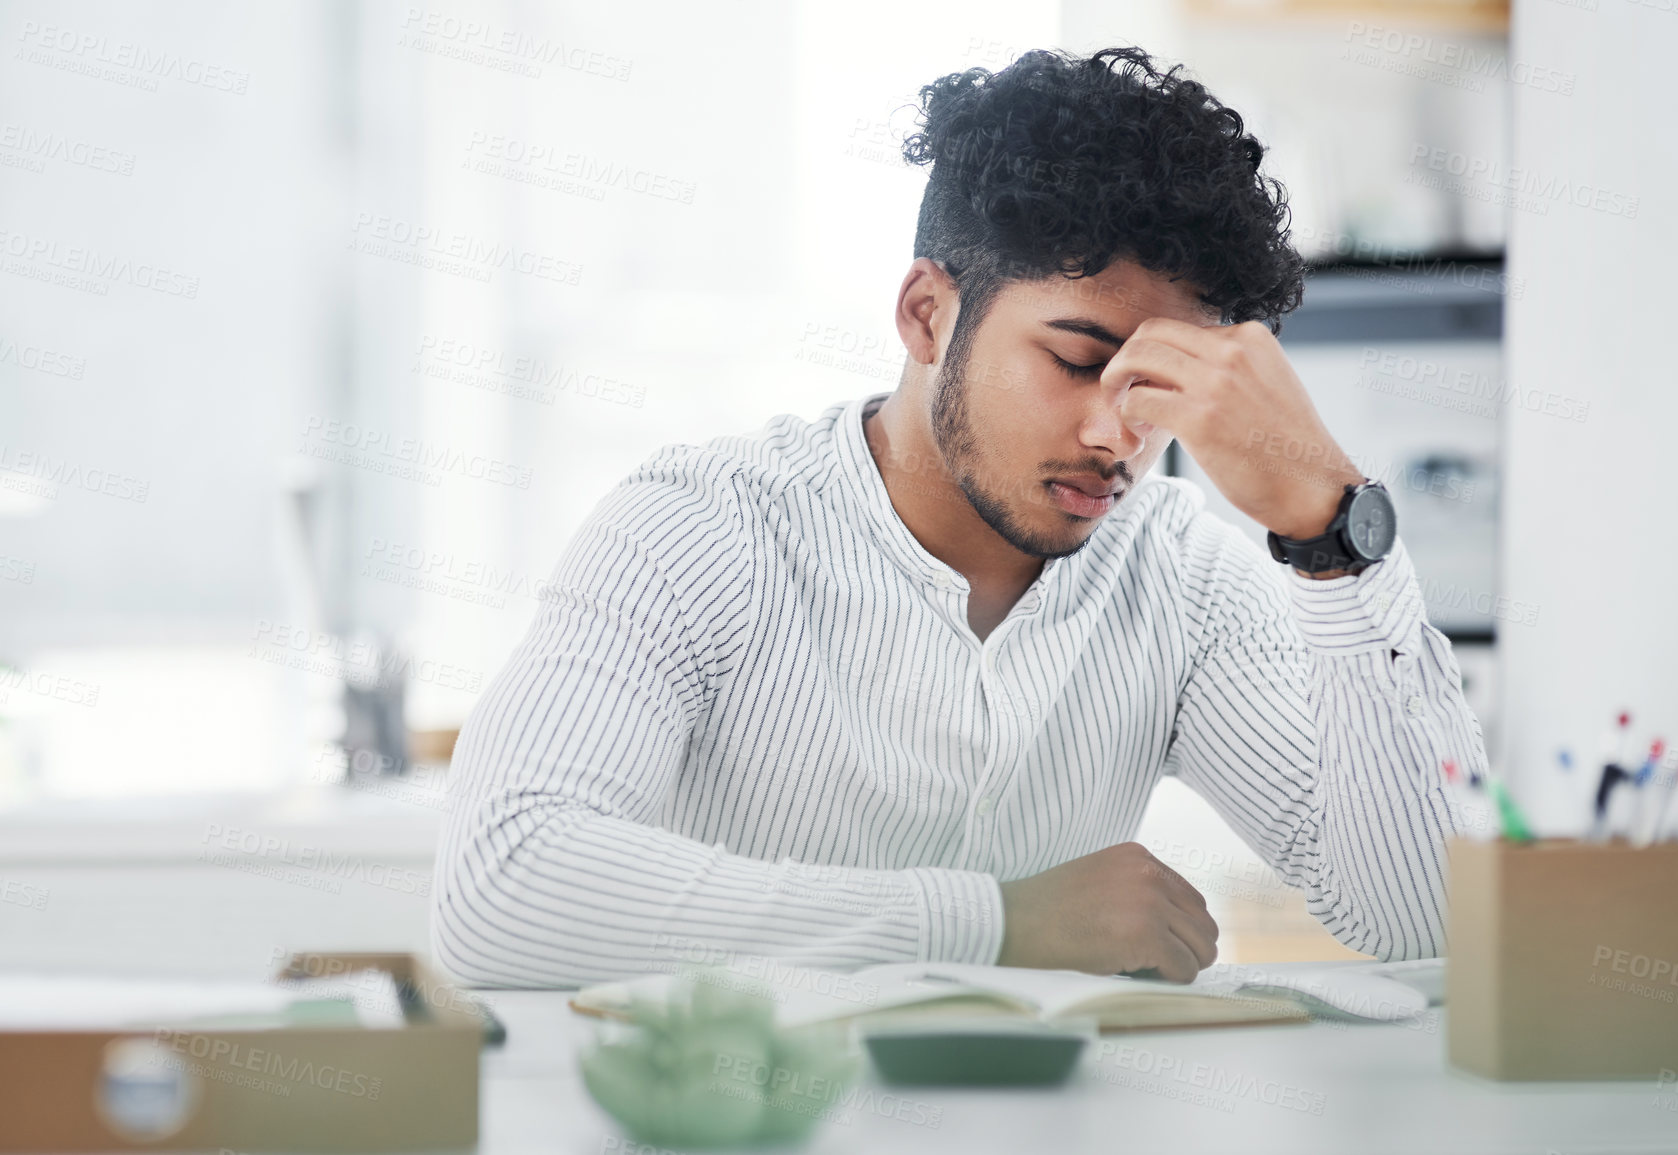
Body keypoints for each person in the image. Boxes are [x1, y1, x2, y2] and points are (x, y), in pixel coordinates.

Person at [431, 46, 1481, 988]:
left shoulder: (1183, 578)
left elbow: (1433, 923)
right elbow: (504, 884)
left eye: (1164, 385)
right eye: (1077, 361)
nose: (1119, 434)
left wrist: (1333, 530)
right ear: (928, 314)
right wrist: (993, 925)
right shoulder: (699, 534)